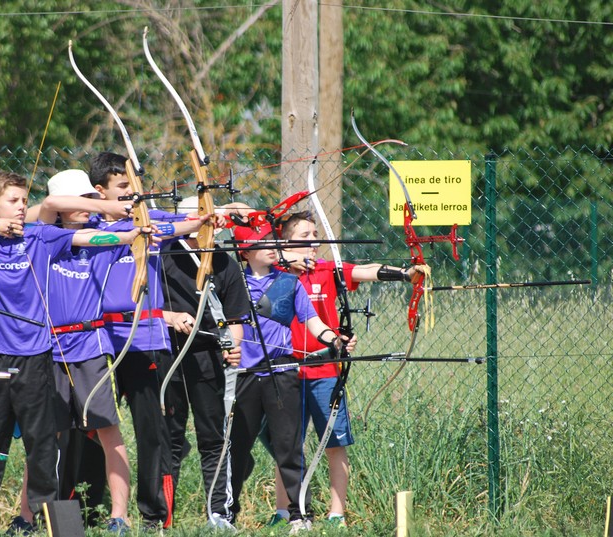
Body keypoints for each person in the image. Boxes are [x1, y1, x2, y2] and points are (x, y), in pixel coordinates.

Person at [0, 171, 151, 533]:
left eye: (23, 201)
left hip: (35, 356)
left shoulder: (41, 236)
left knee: (41, 442)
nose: (20, 208)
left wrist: (129, 234)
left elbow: (86, 236)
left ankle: (46, 521)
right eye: (13, 201)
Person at [263, 211, 427, 527]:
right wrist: (284, 259)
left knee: (335, 444)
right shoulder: (273, 272)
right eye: (305, 235)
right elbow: (250, 252)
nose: (314, 241)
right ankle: (284, 512)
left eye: (315, 234)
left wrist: (405, 274)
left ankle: (336, 514)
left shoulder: (327, 270)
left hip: (325, 371)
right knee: (288, 446)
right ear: (285, 241)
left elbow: (365, 270)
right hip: (287, 371)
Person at [87, 151, 206, 531]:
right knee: (92, 430)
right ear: (99, 190)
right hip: (96, 342)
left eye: (135, 189)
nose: (131, 196)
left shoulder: (149, 222)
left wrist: (208, 215)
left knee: (152, 430)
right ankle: (92, 507)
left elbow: (187, 223)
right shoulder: (82, 225)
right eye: (123, 189)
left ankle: (154, 515)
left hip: (145, 341)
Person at [13, 169, 134, 534]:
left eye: (90, 199)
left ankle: (120, 516)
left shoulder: (105, 233)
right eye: (80, 200)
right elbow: (50, 204)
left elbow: (164, 224)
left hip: (90, 345)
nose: (87, 207)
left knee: (108, 429)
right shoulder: (41, 236)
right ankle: (27, 516)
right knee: (44, 435)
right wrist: (107, 203)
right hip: (48, 347)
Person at [227, 221, 356, 534]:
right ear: (245, 252)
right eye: (263, 243)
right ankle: (226, 515)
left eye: (274, 242)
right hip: (245, 374)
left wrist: (335, 340)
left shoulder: (289, 283)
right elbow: (226, 324)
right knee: (237, 447)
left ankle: (300, 514)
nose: (272, 247)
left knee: (288, 445)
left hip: (282, 372)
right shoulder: (233, 283)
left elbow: (313, 323)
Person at [159, 197, 248, 529]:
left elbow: (234, 318)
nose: (210, 228)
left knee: (214, 437)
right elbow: (138, 306)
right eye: (203, 220)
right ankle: (161, 516)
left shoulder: (222, 261)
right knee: (170, 436)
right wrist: (169, 317)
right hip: (168, 355)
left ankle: (218, 514)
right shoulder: (161, 254)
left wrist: (232, 345)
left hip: (209, 358)